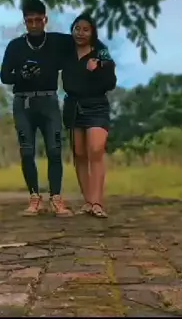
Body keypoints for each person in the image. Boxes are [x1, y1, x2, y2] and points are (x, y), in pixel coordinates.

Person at [0, 0, 104, 218]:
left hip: (49, 101)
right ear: (24, 22)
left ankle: (56, 198)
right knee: (27, 151)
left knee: (55, 150)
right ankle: (34, 198)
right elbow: (4, 76)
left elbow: (87, 40)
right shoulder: (15, 46)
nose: (34, 24)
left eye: (38, 20)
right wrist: (21, 75)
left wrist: (102, 61)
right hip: (23, 103)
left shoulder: (58, 41)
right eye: (30, 21)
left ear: (45, 19)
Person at [61, 12, 117, 218]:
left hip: (96, 106)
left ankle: (97, 202)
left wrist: (98, 68)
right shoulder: (67, 52)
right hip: (74, 106)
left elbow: (111, 81)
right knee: (80, 154)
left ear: (92, 32)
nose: (81, 33)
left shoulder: (101, 52)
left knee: (95, 150)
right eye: (77, 29)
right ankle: (87, 201)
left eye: (86, 29)